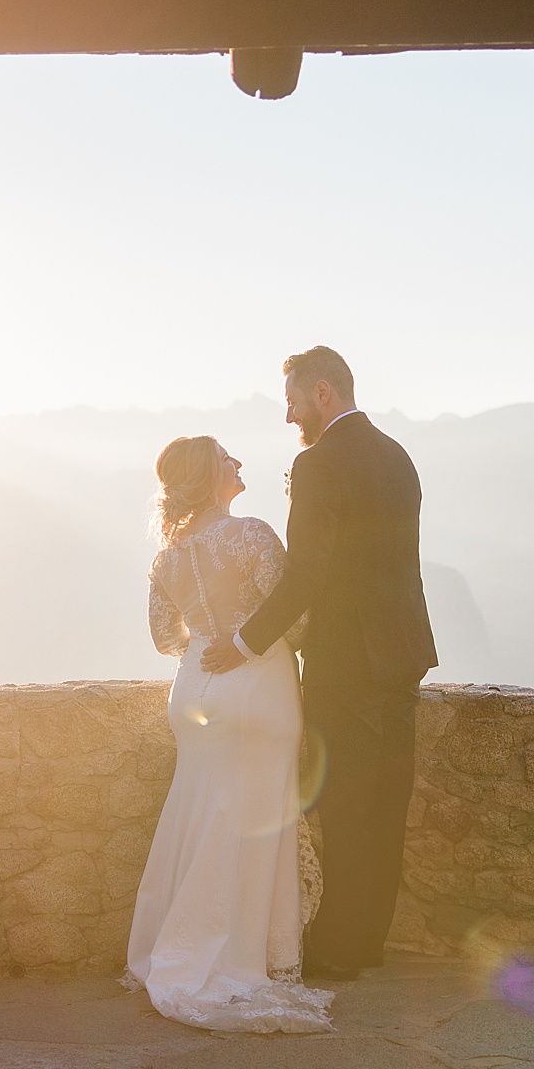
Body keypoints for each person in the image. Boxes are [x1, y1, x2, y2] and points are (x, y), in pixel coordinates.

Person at [201, 346, 436, 980]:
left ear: (323, 393)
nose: (289, 417)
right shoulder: (398, 456)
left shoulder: (318, 464)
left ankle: (336, 950)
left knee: (344, 803)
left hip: (348, 659)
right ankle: (367, 943)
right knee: (387, 802)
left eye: (294, 403)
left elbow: (308, 574)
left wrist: (246, 642)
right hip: (402, 654)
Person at [125, 435, 332, 1032]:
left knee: (198, 812)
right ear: (207, 475)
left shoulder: (166, 558)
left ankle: (184, 943)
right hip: (257, 683)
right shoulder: (252, 535)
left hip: (193, 693)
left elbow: (166, 639)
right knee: (256, 816)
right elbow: (295, 620)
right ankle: (244, 955)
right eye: (226, 457)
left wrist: (207, 633)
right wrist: (245, 639)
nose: (238, 462)